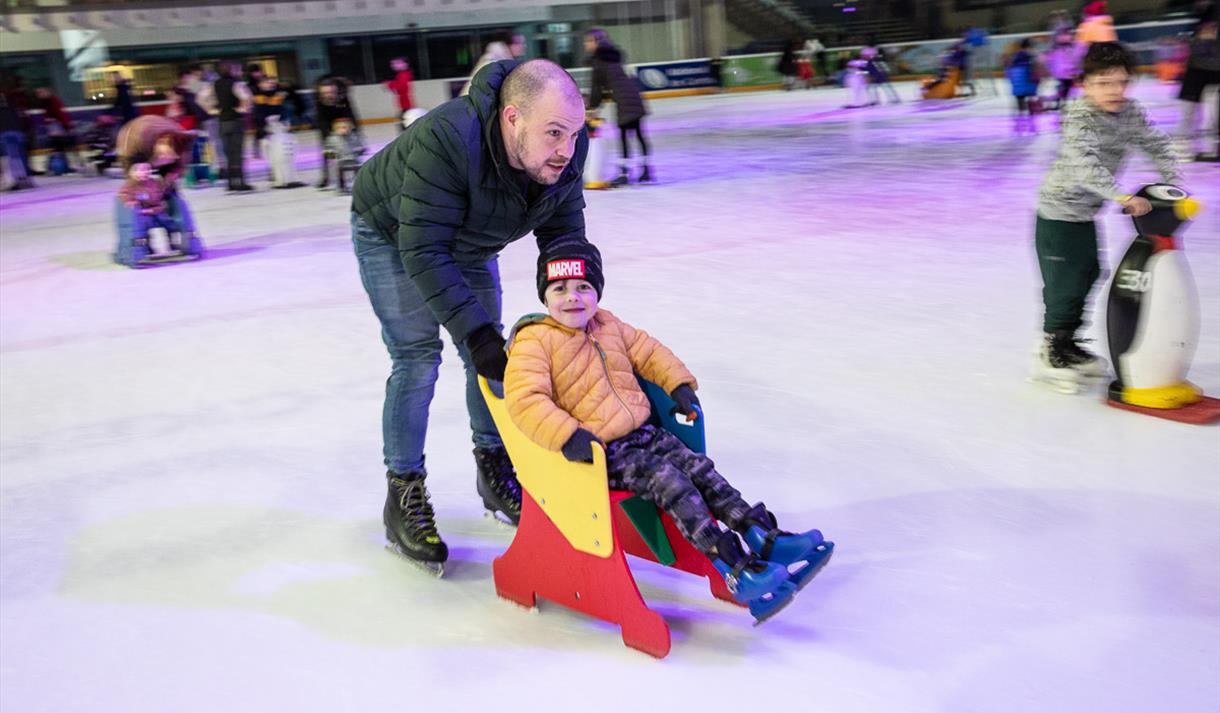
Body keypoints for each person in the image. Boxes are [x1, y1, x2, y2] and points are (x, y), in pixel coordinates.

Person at [502, 240, 833, 623]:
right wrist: (567, 435)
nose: (572, 298)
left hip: (644, 433)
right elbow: (525, 399)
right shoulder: (534, 341)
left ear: (597, 291)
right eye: (560, 289)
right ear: (545, 296)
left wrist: (678, 386)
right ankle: (735, 567)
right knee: (674, 483)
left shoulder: (608, 324)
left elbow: (648, 352)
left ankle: (762, 536)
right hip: (598, 453)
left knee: (700, 471)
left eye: (583, 287)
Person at [349, 59, 593, 574]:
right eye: (553, 133)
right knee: (418, 358)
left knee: (492, 358)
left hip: (470, 238)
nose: (566, 150)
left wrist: (577, 290)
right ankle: (404, 493)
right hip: (395, 234)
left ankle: (493, 467)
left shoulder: (565, 150)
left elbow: (563, 233)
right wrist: (477, 332)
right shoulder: (447, 138)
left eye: (574, 133)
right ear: (512, 119)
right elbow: (423, 249)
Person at [1031, 42, 1181, 392]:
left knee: (1088, 274)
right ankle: (1049, 351)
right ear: (1085, 84)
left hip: (1084, 215)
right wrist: (1124, 196)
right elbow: (1085, 166)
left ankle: (1067, 343)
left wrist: (1174, 184)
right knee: (1065, 282)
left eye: (1120, 82)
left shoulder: (1129, 112)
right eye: (1103, 82)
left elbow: (1156, 143)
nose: (1114, 90)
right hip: (1057, 214)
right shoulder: (1079, 116)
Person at [585, 29, 651, 186]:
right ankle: (646, 170)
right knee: (638, 134)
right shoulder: (614, 55)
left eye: (588, 41)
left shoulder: (599, 59)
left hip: (624, 100)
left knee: (623, 135)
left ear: (596, 41)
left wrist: (592, 108)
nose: (586, 45)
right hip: (634, 96)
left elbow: (597, 87)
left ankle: (624, 173)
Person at [1177, 8, 1220, 161]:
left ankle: (1210, 148)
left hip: (1208, 70)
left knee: (1210, 112)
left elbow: (1206, 35)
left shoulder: (1212, 10)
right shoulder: (1206, 10)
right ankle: (1187, 149)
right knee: (1192, 110)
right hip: (1199, 69)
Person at [213, 61, 254, 192]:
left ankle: (230, 183)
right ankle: (240, 182)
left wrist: (211, 110)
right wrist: (243, 108)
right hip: (235, 121)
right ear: (230, 70)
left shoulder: (215, 84)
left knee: (228, 153)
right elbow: (246, 97)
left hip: (222, 122)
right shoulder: (235, 83)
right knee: (237, 152)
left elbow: (201, 98)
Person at [314, 78, 361, 189]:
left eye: (331, 92)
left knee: (351, 152)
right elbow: (321, 121)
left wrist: (352, 129)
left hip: (345, 128)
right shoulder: (320, 103)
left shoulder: (343, 100)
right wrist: (328, 135)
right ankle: (326, 178)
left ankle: (357, 176)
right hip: (329, 130)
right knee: (328, 154)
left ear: (336, 90)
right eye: (325, 93)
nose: (328, 95)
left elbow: (350, 114)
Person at [118, 160, 181, 242]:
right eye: (141, 170)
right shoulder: (129, 185)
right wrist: (130, 202)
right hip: (141, 212)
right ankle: (147, 247)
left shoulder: (155, 182)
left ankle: (172, 239)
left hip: (157, 209)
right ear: (133, 172)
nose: (145, 172)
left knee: (166, 220)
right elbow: (123, 194)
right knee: (142, 226)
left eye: (148, 170)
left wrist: (170, 182)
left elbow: (165, 191)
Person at [461, 31, 526, 96]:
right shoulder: (492, 61)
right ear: (508, 44)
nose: (524, 46)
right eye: (518, 43)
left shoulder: (501, 60)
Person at [1005, 39, 1042, 134]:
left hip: (1018, 84)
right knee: (1031, 102)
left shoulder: (1015, 57)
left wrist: (1013, 81)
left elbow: (1009, 71)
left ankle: (1020, 123)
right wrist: (1037, 79)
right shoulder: (1030, 56)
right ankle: (1032, 123)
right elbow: (1035, 69)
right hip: (1028, 82)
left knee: (1020, 102)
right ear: (1029, 47)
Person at [321, 117, 362, 193]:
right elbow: (327, 150)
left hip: (352, 158)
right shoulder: (332, 139)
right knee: (340, 170)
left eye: (346, 127)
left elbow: (359, 146)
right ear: (335, 129)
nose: (343, 130)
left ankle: (359, 184)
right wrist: (333, 158)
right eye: (340, 128)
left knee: (359, 169)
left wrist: (358, 151)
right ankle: (342, 186)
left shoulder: (354, 137)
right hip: (341, 160)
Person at [1044, 30, 1080, 110]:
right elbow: (1053, 59)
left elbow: (1072, 59)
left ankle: (1060, 102)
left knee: (1066, 88)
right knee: (1064, 88)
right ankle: (1059, 102)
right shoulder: (1059, 48)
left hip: (1066, 73)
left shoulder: (1067, 48)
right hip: (1063, 73)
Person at [385, 57, 414, 132]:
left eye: (397, 63)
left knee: (404, 122)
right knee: (403, 122)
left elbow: (400, 87)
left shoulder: (403, 75)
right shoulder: (402, 74)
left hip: (405, 103)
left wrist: (390, 84)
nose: (394, 65)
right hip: (404, 102)